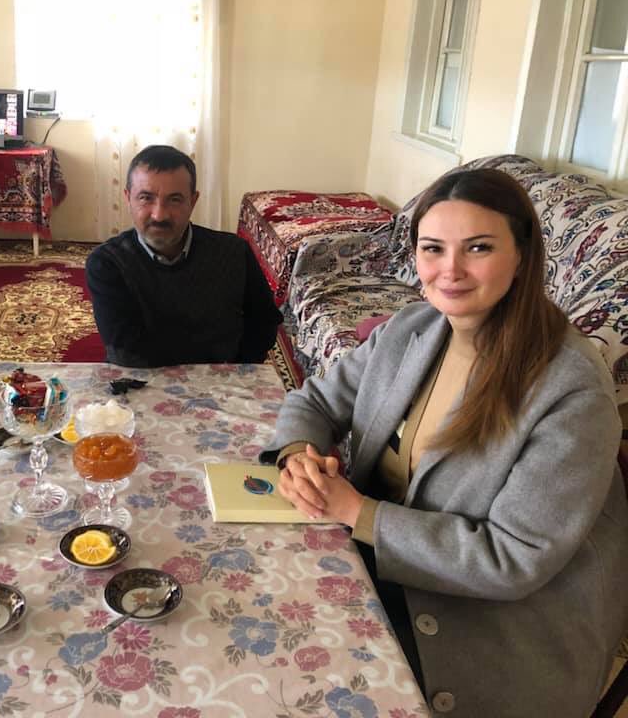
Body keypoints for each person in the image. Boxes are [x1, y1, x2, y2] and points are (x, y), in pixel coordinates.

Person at [264, 168, 628, 718]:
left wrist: (357, 511)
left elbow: (511, 559)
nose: (450, 270)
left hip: (488, 629)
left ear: (522, 256)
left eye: (478, 248)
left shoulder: (571, 387)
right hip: (377, 565)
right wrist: (300, 457)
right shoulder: (412, 327)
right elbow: (313, 402)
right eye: (433, 248)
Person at [85, 145, 282, 367]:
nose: (159, 215)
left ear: (193, 201)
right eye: (146, 198)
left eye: (175, 199)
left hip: (224, 380)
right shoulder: (107, 263)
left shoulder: (235, 253)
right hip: (141, 381)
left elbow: (264, 323)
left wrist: (232, 373)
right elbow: (125, 351)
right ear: (128, 198)